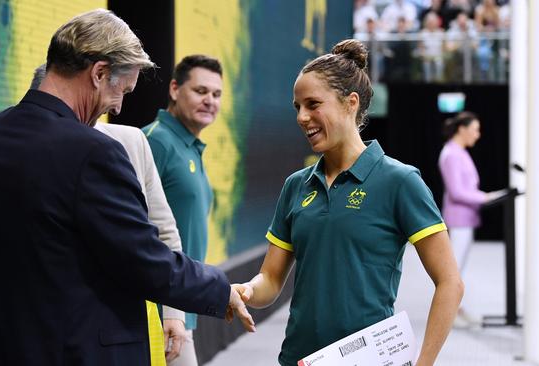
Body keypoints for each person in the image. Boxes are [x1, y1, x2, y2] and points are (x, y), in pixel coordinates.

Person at [0, 10, 253, 366]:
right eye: (122, 90)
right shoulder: (92, 151)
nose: (117, 106)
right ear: (99, 73)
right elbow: (143, 259)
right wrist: (219, 287)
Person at [233, 39, 464, 366]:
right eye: (297, 107)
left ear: (350, 103)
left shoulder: (400, 181)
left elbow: (450, 283)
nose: (302, 117)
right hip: (299, 359)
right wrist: (247, 291)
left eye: (313, 104)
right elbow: (270, 279)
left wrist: (424, 362)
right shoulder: (296, 186)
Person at [30, 63, 187, 365]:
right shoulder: (29, 151)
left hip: (128, 326)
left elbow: (163, 232)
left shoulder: (131, 141)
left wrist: (173, 313)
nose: (117, 107)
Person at [142, 54, 223, 366]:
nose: (210, 101)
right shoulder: (154, 142)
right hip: (158, 309)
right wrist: (165, 312)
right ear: (175, 89)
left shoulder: (190, 147)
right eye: (201, 91)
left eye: (216, 95)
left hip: (182, 307)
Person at [438, 111, 502, 327]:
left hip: (465, 219)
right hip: (458, 220)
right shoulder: (452, 154)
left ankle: (456, 309)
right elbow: (457, 191)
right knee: (453, 272)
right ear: (462, 129)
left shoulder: (459, 152)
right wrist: (484, 197)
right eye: (475, 129)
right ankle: (449, 313)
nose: (478, 134)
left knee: (457, 270)